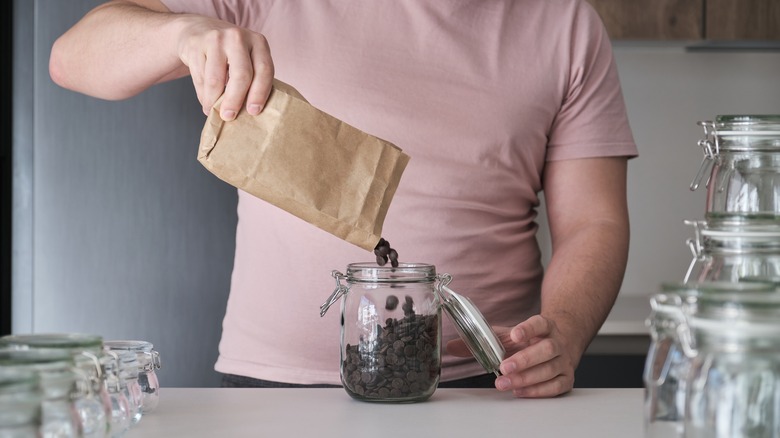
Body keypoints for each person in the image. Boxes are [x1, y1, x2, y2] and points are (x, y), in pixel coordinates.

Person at [49, 0, 638, 397]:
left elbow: (594, 221)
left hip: (486, 387)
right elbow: (72, 59)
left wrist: (564, 328)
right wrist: (182, 32)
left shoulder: (565, 22)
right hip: (276, 394)